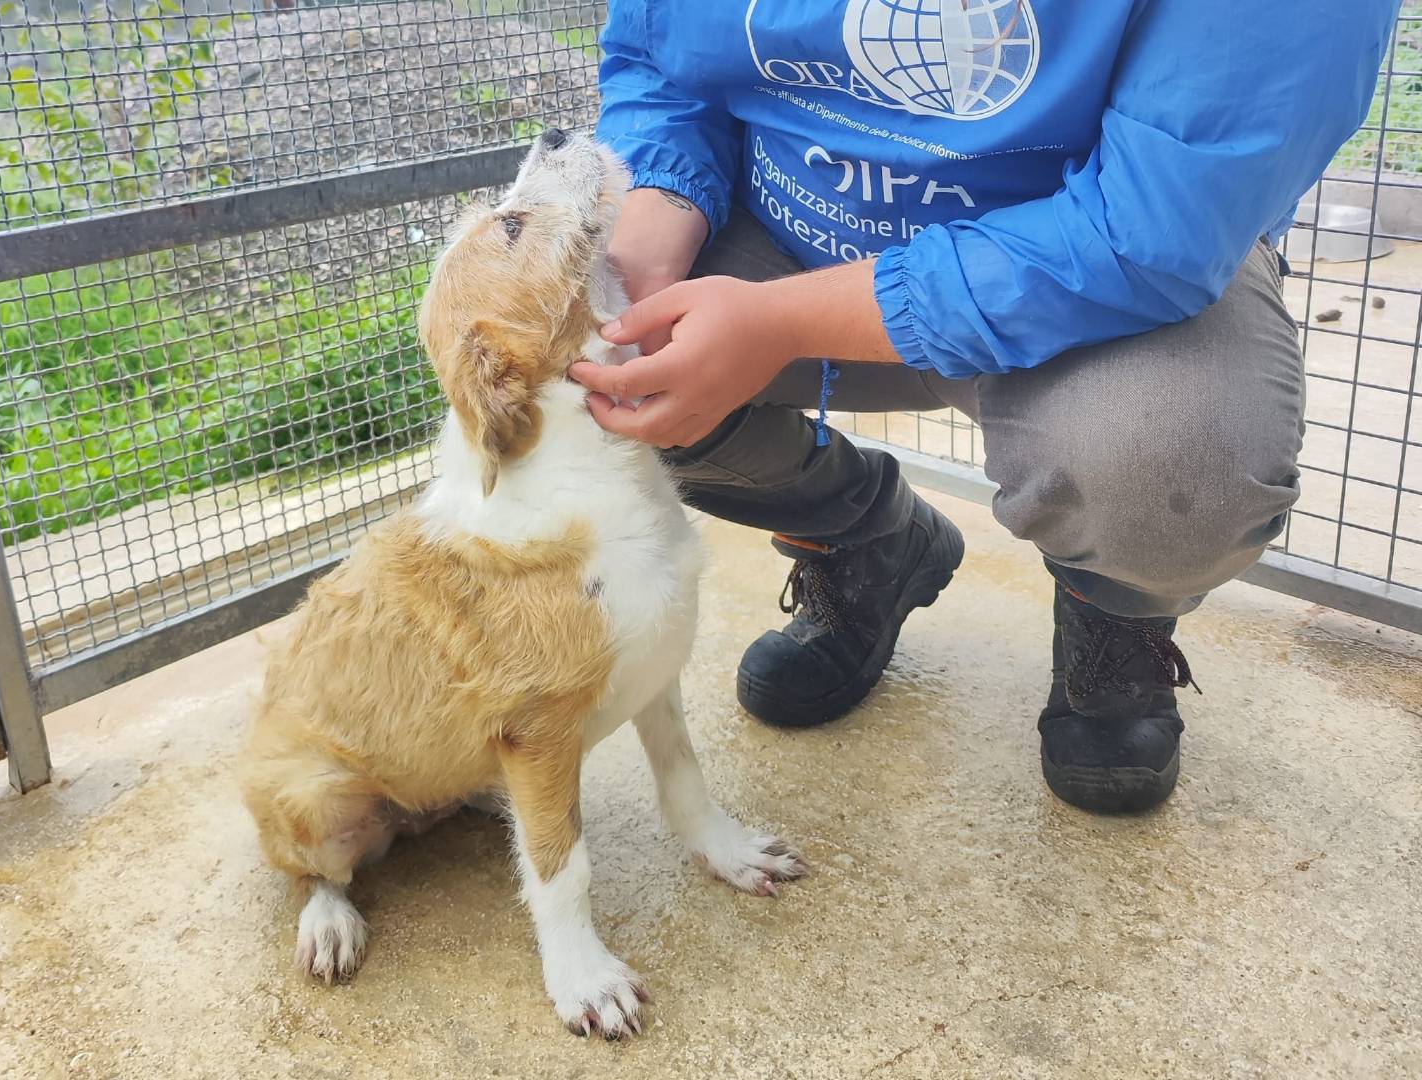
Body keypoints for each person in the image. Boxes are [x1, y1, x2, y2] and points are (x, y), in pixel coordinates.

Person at [568, 1, 1402, 813]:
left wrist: (783, 323)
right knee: (570, 372)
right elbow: (659, 53)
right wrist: (660, 200)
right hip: (785, 220)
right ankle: (861, 535)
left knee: (1181, 460)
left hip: (1091, 262)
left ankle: (1112, 614)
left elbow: (1154, 231)